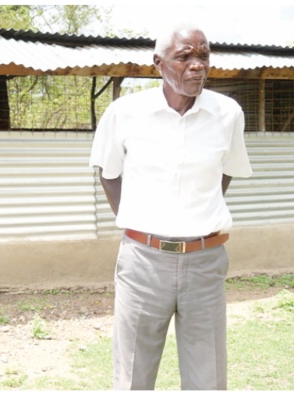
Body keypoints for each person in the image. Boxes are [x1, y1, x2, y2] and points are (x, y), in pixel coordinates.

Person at [89, 23, 252, 390]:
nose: (197, 65)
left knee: (207, 378)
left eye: (203, 56)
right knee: (133, 376)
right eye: (185, 57)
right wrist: (141, 225)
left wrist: (195, 215)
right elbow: (109, 174)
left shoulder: (228, 114)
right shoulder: (124, 112)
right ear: (158, 63)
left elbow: (224, 175)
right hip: (143, 263)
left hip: (205, 262)